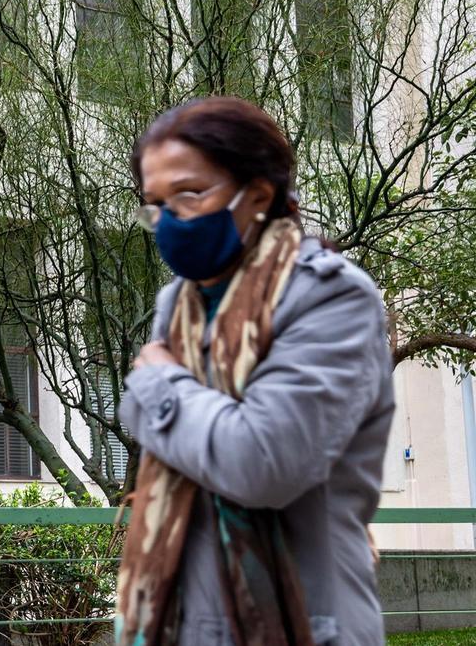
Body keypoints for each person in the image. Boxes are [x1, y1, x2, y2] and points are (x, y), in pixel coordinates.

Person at [113, 97, 394, 645]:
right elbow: (137, 418)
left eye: (189, 194)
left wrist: (157, 382)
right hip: (185, 620)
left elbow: (263, 463)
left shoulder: (331, 297)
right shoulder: (180, 304)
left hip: (307, 624)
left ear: (259, 195)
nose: (169, 220)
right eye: (155, 204)